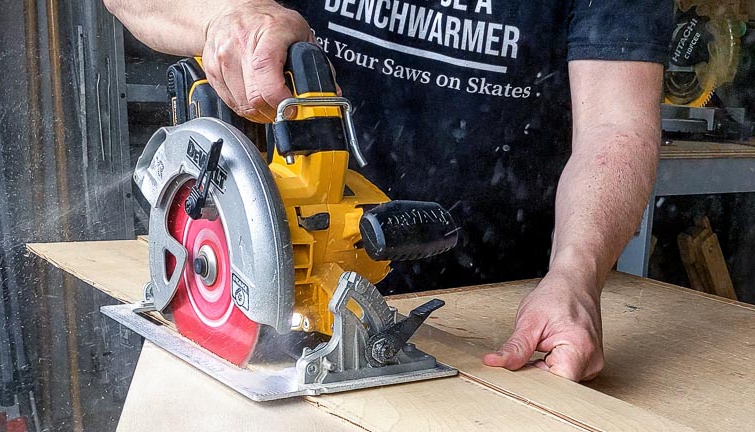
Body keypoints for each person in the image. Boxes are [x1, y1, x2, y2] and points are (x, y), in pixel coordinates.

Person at [105, 0, 671, 382]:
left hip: (500, 320)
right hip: (271, 303)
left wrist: (574, 275)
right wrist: (225, 15)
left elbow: (615, 126)